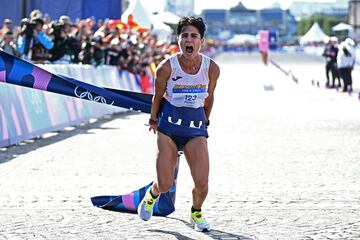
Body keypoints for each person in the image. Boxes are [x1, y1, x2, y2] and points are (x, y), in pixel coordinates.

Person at [137, 16, 220, 232]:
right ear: (178, 39)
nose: (188, 40)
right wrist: (153, 120)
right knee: (165, 184)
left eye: (194, 36)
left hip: (195, 130)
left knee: (202, 182)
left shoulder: (211, 68)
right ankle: (151, 196)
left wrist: (206, 120)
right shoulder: (166, 67)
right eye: (184, 35)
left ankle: (196, 212)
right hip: (169, 130)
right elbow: (157, 97)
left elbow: (209, 98)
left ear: (201, 40)